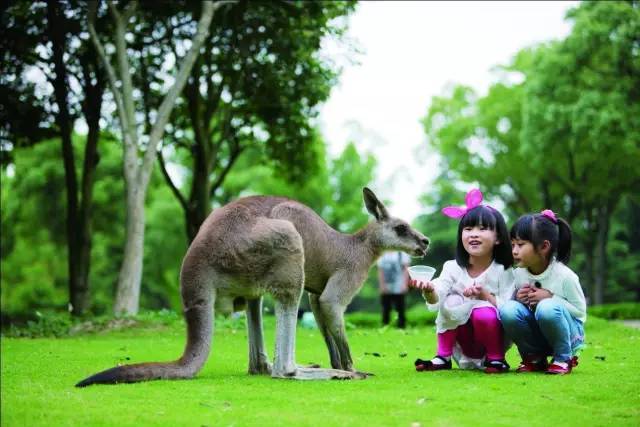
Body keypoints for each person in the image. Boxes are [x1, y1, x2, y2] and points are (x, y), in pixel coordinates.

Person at [410, 188, 514, 373]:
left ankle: (496, 358)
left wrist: (484, 295)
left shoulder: (503, 271)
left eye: (482, 229)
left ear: (498, 238)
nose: (474, 234)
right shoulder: (452, 267)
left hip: (489, 337)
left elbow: (509, 309)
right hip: (463, 341)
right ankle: (443, 356)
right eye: (468, 229)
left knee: (483, 311)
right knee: (451, 300)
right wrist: (429, 290)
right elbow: (438, 295)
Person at [499, 209, 586, 375]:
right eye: (513, 245)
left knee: (547, 307)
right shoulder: (518, 273)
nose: (514, 251)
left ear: (544, 246)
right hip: (540, 333)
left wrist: (551, 297)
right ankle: (533, 358)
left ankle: (563, 358)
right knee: (508, 309)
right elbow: (515, 312)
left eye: (521, 244)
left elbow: (580, 312)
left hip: (569, 335)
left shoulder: (565, 276)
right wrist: (519, 299)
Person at [377, 250, 411, 328]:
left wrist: (405, 284)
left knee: (400, 307)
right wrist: (382, 285)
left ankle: (402, 327)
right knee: (386, 308)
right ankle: (385, 326)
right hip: (386, 285)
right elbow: (380, 271)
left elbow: (406, 269)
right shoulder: (382, 253)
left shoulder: (401, 253)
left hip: (399, 285)